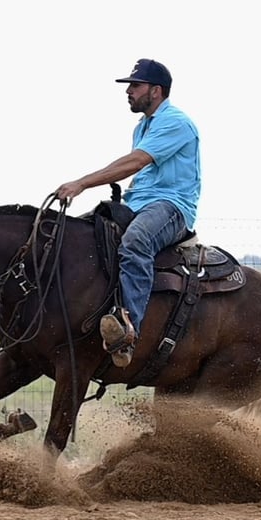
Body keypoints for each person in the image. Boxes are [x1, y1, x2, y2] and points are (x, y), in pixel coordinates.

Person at [55, 58, 201, 368]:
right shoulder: (143, 126)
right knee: (79, 237)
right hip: (138, 203)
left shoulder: (175, 122)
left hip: (171, 206)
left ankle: (127, 330)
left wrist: (81, 183)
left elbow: (133, 163)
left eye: (135, 85)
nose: (129, 92)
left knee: (136, 240)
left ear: (156, 91)